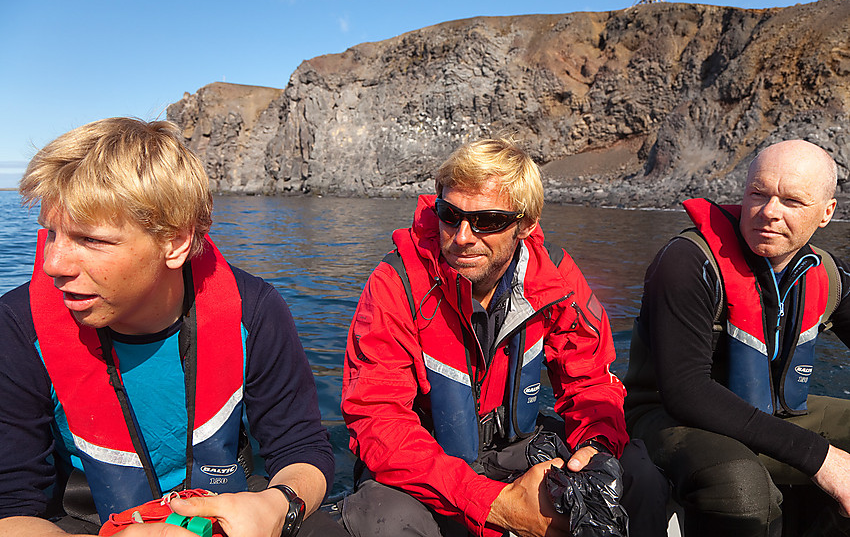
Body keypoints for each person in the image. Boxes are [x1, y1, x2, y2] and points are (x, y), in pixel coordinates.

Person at [0, 118, 348, 537]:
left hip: (229, 510)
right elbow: (12, 506)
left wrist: (279, 506)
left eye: (92, 241)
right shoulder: (18, 327)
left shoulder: (253, 310)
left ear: (175, 243)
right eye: (51, 234)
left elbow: (301, 447)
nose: (52, 265)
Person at [340, 137, 668, 537]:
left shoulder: (556, 279)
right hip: (424, 460)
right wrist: (492, 503)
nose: (462, 236)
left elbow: (591, 382)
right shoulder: (395, 284)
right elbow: (377, 419)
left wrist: (595, 449)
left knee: (639, 477)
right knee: (385, 522)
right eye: (449, 214)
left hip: (515, 444)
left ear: (526, 225)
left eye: (489, 221)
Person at [624, 139, 850, 536]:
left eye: (792, 202)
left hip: (771, 409)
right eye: (758, 194)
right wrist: (821, 459)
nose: (769, 213)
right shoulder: (687, 262)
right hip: (667, 416)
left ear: (826, 213)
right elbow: (686, 392)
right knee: (741, 488)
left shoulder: (827, 276)